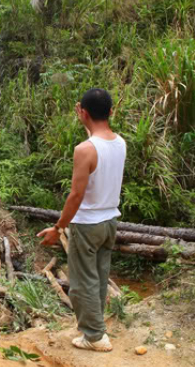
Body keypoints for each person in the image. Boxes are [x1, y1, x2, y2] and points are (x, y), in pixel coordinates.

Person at [37, 88, 127, 352]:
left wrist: (58, 228)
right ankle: (96, 329)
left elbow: (76, 195)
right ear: (111, 112)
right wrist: (88, 123)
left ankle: (95, 336)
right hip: (110, 222)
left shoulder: (84, 150)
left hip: (87, 225)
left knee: (81, 282)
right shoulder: (120, 143)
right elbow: (100, 142)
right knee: (98, 277)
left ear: (83, 112)